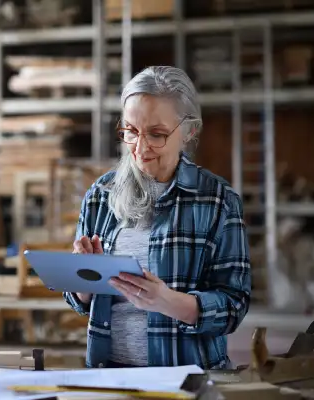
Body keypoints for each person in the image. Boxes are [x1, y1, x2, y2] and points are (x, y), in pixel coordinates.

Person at [63, 66, 251, 370]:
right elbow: (80, 302)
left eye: (157, 134)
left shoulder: (217, 200)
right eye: (131, 131)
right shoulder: (101, 195)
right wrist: (83, 283)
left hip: (187, 377)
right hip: (109, 376)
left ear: (189, 131)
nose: (140, 147)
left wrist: (167, 301)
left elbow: (234, 306)